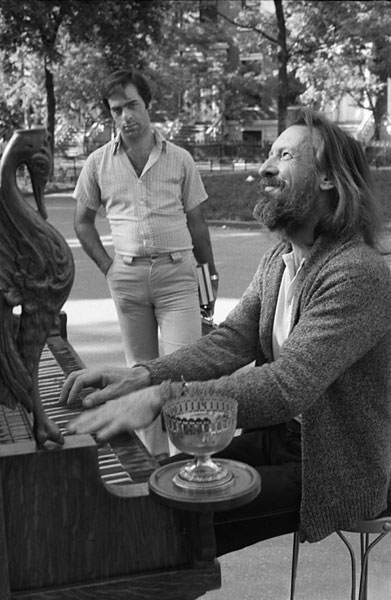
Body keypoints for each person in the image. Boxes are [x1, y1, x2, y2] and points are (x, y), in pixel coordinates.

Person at [62, 108, 391, 557]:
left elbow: (286, 386)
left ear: (329, 179)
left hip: (336, 466)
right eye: (268, 154)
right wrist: (143, 376)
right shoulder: (280, 260)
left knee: (163, 520)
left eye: (286, 155)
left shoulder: (358, 274)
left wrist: (166, 398)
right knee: (153, 487)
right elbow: (230, 340)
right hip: (285, 440)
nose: (264, 167)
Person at [72, 69, 218, 458]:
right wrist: (108, 268)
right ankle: (152, 472)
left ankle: (188, 464)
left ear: (147, 106)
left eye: (132, 106)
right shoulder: (98, 163)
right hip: (128, 280)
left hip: (177, 276)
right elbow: (81, 222)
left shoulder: (180, 159)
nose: (125, 117)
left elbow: (198, 225)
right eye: (116, 110)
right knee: (136, 375)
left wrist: (209, 282)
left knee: (182, 374)